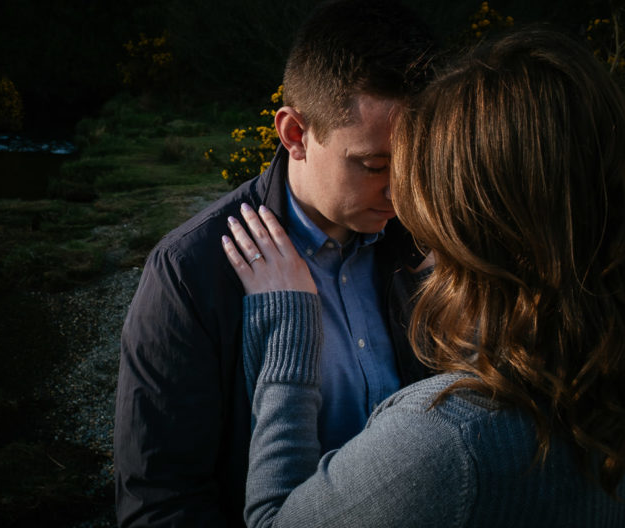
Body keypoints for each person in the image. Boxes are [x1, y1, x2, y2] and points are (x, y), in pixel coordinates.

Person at [222, 28, 625, 526]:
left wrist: (290, 332)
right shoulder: (597, 379)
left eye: (416, 188)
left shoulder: (445, 443)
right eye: (376, 166)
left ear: (471, 230)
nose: (402, 208)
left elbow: (271, 522)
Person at [113, 0, 435, 525]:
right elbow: (161, 503)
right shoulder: (191, 272)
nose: (403, 189)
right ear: (294, 134)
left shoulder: (426, 240)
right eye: (375, 165)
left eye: (417, 161)